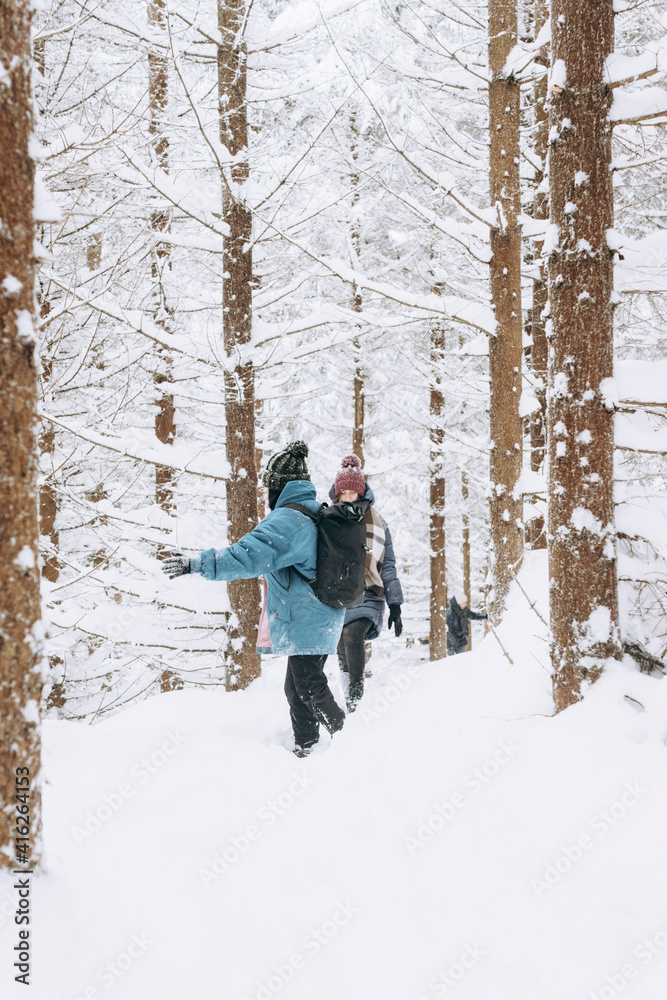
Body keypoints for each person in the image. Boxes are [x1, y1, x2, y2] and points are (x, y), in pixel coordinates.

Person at [162, 441, 346, 757]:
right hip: (322, 615)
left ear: (277, 486)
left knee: (309, 686)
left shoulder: (289, 520)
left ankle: (351, 742)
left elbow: (244, 556)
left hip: (308, 619)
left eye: (269, 487)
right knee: (299, 687)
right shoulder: (314, 510)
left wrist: (196, 564)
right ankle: (307, 748)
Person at [330, 455, 404, 713]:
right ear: (337, 495)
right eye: (344, 492)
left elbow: (389, 565)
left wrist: (395, 603)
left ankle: (356, 697)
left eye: (353, 492)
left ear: (361, 492)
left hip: (368, 592)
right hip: (338, 593)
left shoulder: (378, 523)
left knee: (352, 635)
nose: (349, 497)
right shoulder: (328, 520)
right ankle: (347, 695)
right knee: (340, 645)